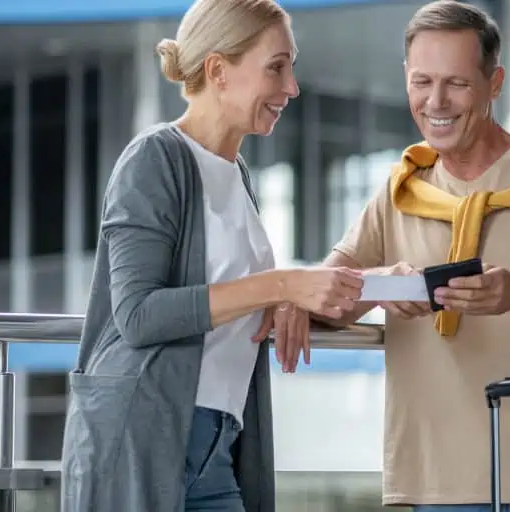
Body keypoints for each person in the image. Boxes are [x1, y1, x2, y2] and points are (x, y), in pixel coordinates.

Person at [274, 1, 510, 511]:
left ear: (494, 83)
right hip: (433, 485)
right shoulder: (399, 190)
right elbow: (329, 290)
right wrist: (346, 289)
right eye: (422, 82)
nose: (436, 102)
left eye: (457, 83)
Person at [58, 1, 363, 510]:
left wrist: (284, 301)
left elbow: (229, 297)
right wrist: (280, 286)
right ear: (218, 70)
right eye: (277, 67)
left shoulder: (237, 173)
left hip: (217, 443)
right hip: (144, 442)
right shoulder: (153, 160)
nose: (292, 87)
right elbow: (136, 316)